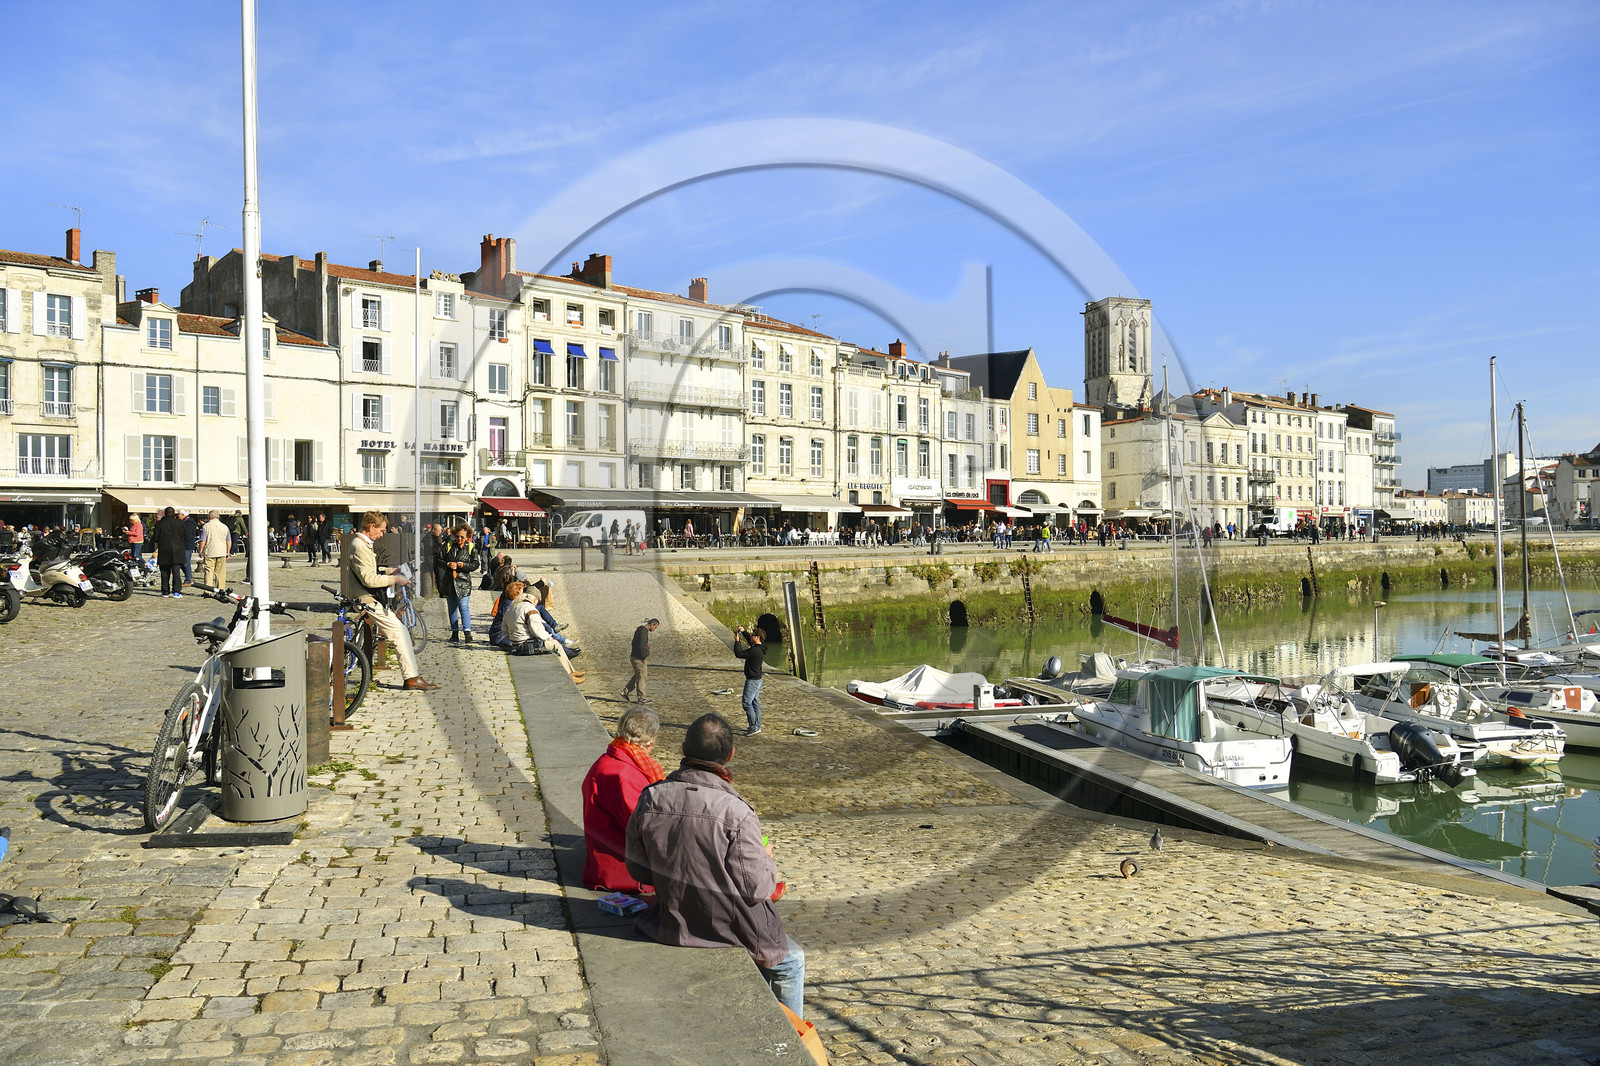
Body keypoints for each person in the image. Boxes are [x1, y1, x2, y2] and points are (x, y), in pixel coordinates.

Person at [625, 712, 805, 1018]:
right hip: (726, 928)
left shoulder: (650, 798)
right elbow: (758, 890)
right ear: (730, 756)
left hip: (671, 920)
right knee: (792, 962)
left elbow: (638, 871)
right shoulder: (737, 813)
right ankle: (793, 1039)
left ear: (683, 749)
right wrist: (767, 860)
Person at [340, 510, 437, 691]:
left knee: (397, 631)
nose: (383, 534)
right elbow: (368, 579)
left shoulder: (363, 544)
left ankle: (407, 676)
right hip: (365, 598)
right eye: (382, 530)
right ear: (371, 527)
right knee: (399, 631)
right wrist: (394, 579)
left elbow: (370, 571)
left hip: (366, 596)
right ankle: (411, 677)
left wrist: (388, 570)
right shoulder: (360, 545)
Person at [581, 706, 664, 893]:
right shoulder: (625, 775)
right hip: (622, 871)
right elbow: (642, 827)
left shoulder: (609, 760)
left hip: (605, 859)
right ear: (652, 741)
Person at [503, 580, 585, 679]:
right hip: (525, 644)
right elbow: (537, 631)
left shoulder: (512, 607)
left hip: (515, 643)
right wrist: (547, 637)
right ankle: (569, 675)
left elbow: (504, 628)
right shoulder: (530, 609)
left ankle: (572, 672)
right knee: (556, 644)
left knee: (554, 643)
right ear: (535, 600)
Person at [434, 524, 478, 642]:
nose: (459, 539)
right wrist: (448, 564)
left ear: (467, 537)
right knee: (452, 608)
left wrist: (464, 565)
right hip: (449, 581)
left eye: (462, 537)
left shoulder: (471, 547)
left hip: (463, 582)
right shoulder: (448, 546)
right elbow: (438, 560)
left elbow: (475, 564)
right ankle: (454, 633)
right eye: (457, 537)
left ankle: (467, 632)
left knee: (463, 607)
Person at [732, 625, 766, 736]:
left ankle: (754, 727)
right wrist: (744, 632)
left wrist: (737, 642)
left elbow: (739, 654)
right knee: (755, 702)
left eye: (752, 635)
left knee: (747, 703)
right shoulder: (762, 647)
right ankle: (758, 725)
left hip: (752, 681)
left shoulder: (754, 651)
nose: (750, 636)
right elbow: (751, 642)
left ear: (757, 637)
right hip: (758, 679)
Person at [621, 618, 658, 704]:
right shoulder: (643, 632)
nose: (654, 629)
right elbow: (640, 646)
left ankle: (625, 691)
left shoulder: (640, 630)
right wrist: (643, 657)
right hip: (638, 658)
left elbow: (635, 643)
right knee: (642, 677)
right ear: (652, 624)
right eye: (655, 627)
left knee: (638, 676)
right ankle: (641, 698)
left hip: (634, 656)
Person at [153, 507, 188, 597]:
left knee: (164, 571)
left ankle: (165, 591)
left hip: (164, 550)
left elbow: (155, 538)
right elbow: (186, 536)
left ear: (165, 513)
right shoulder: (180, 523)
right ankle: (176, 591)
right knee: (176, 571)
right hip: (177, 550)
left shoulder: (159, 524)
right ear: (174, 513)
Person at [199, 511, 232, 589]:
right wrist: (228, 551)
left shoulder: (206, 526)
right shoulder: (224, 527)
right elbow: (229, 541)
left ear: (210, 517)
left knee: (209, 571)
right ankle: (220, 589)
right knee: (220, 573)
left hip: (210, 551)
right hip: (221, 551)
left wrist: (200, 550)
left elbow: (203, 540)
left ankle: (208, 590)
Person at [178, 510, 197, 586]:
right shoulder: (186, 522)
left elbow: (188, 535)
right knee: (182, 562)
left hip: (187, 545)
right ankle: (189, 576)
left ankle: (188, 580)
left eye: (179, 514)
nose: (177, 516)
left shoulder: (189, 523)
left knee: (186, 563)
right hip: (184, 545)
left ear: (182, 515)